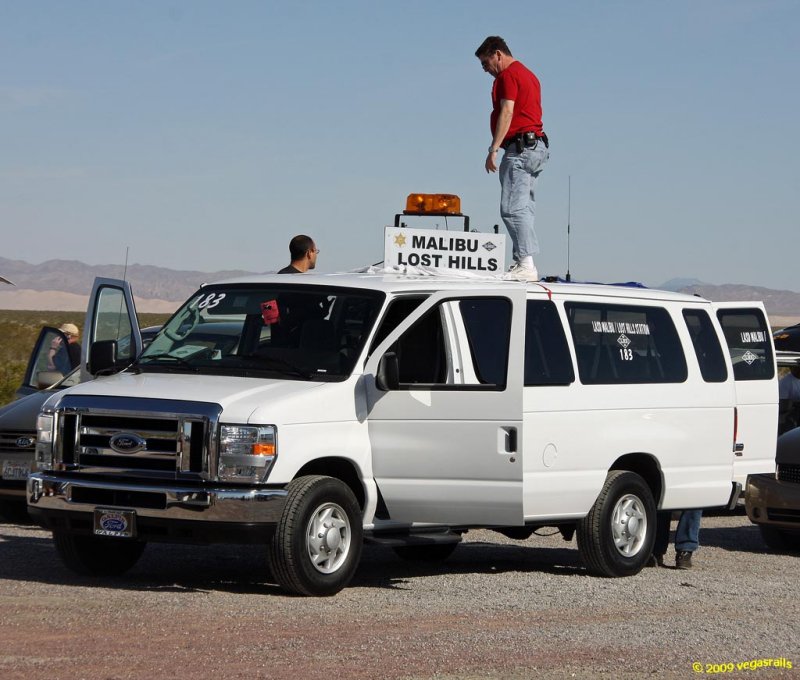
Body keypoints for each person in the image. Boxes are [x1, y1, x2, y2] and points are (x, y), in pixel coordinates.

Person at [475, 36, 549, 282]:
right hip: (536, 146)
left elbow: (507, 110)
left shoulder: (508, 76)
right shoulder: (529, 75)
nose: (485, 70)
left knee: (511, 208)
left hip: (519, 149)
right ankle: (524, 261)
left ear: (497, 54)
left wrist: (493, 149)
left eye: (486, 63)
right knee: (525, 207)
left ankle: (526, 263)